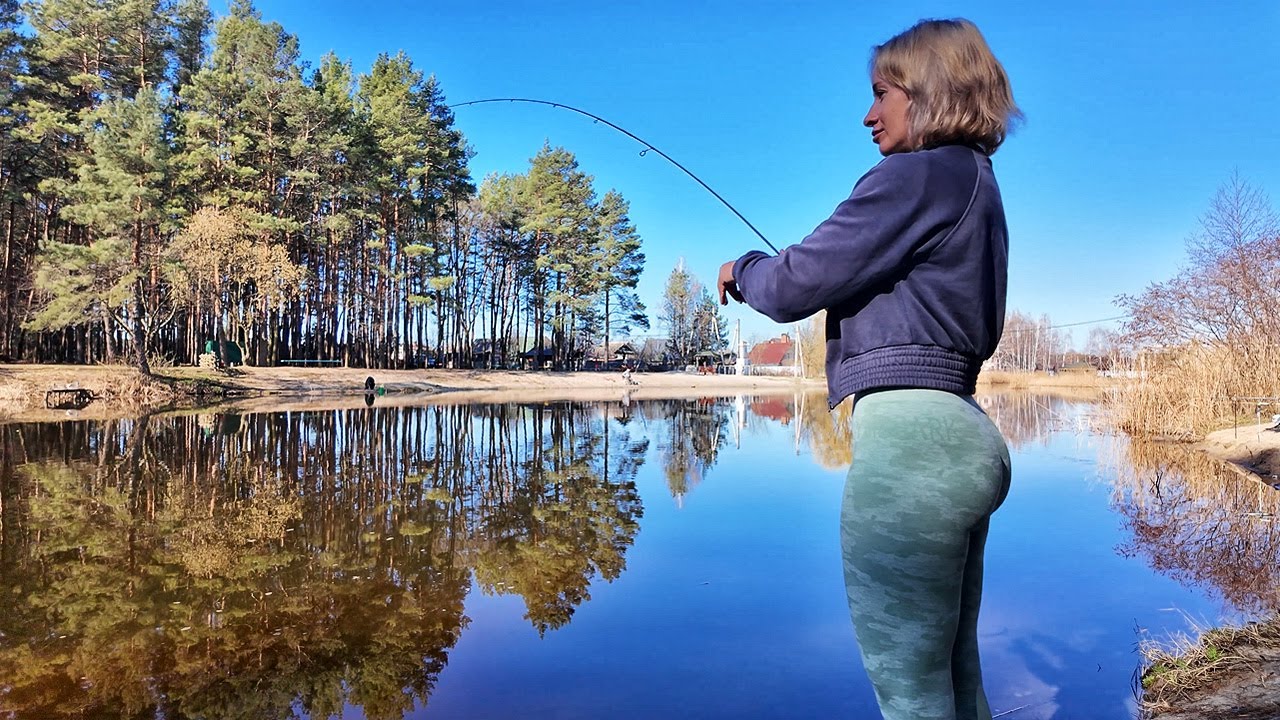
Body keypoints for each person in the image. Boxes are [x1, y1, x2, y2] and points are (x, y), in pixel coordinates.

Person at [717, 18, 1019, 720]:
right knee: (954, 677)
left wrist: (746, 269)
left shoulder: (915, 175)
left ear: (930, 92)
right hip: (963, 435)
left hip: (912, 452)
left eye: (883, 93)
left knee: (910, 697)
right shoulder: (977, 184)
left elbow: (795, 283)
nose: (868, 112)